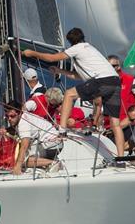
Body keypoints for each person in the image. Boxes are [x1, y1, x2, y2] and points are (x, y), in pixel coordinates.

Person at [23, 27, 125, 157]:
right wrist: (59, 71)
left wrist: (32, 53)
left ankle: (62, 130)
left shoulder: (76, 48)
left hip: (102, 81)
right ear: (83, 37)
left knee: (68, 94)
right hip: (115, 82)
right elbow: (78, 76)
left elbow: (51, 57)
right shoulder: (90, 49)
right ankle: (121, 158)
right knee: (115, 123)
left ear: (70, 42)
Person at [12, 101, 60, 174]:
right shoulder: (25, 116)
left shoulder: (23, 124)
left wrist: (18, 166)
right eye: (7, 116)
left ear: (19, 113)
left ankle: (53, 163)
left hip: (51, 145)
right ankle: (45, 163)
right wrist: (6, 130)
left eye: (12, 116)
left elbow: (25, 145)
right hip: (54, 142)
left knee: (22, 160)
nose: (9, 119)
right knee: (24, 156)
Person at [108, 54, 135, 119]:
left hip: (128, 121)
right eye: (107, 66)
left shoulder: (131, 80)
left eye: (113, 66)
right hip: (109, 123)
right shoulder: (103, 82)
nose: (109, 68)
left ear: (118, 66)